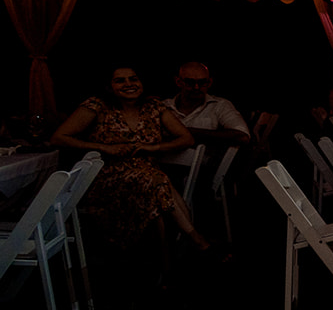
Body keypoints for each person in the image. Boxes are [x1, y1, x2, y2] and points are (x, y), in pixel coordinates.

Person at [50, 65, 219, 255]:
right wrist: (103, 147)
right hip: (108, 178)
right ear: (109, 86)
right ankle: (196, 241)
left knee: (156, 196)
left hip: (149, 176)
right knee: (158, 182)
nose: (129, 84)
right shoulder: (96, 106)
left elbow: (186, 139)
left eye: (133, 79)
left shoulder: (154, 107)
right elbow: (59, 137)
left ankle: (169, 266)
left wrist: (153, 147)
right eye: (120, 80)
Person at [161, 61, 250, 164]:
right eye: (190, 82)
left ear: (210, 82)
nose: (196, 87)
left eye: (202, 83)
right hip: (158, 167)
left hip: (200, 172)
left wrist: (182, 132)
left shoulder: (219, 105)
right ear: (178, 82)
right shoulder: (162, 106)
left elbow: (242, 137)